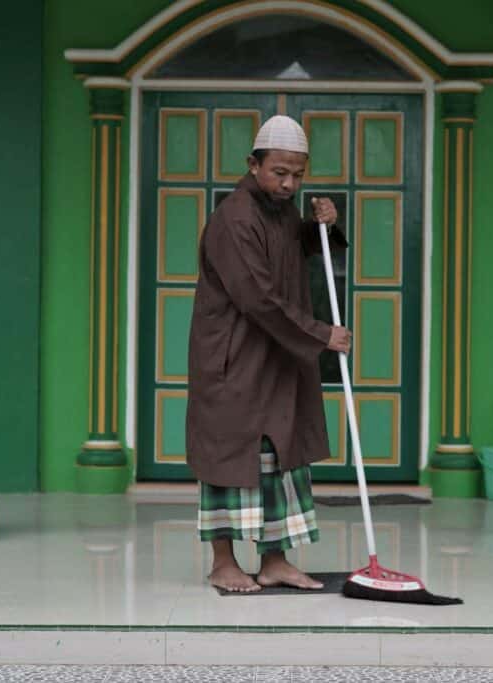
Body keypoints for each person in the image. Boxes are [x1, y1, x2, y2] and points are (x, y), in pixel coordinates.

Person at [186, 115, 352, 593]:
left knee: (280, 455)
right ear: (252, 164)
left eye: (298, 174)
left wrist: (324, 226)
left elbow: (291, 246)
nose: (289, 183)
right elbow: (258, 296)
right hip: (234, 359)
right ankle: (223, 562)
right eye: (279, 172)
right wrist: (322, 334)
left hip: (276, 357)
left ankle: (275, 560)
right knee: (232, 456)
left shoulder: (280, 212)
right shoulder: (234, 218)